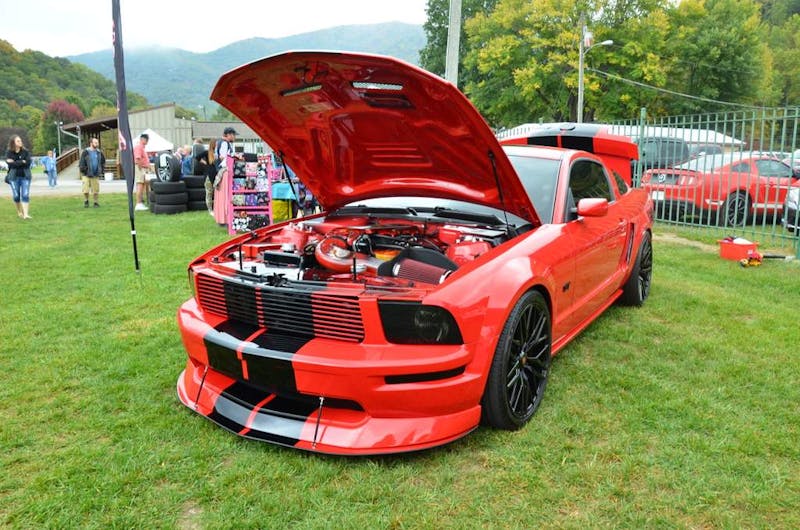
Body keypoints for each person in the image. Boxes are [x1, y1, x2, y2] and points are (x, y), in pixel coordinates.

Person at [213, 127, 241, 225]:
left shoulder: (219, 142)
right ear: (229, 134)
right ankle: (225, 219)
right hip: (225, 171)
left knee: (221, 196)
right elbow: (223, 157)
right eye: (234, 135)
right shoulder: (225, 143)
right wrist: (235, 157)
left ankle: (221, 219)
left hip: (220, 171)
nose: (234, 137)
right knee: (226, 196)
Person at [5, 135, 33, 219]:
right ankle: (19, 211)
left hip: (25, 177)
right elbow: (9, 164)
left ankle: (26, 214)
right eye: (18, 141)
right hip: (13, 177)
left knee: (25, 194)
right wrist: (22, 162)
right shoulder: (9, 152)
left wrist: (16, 162)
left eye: (20, 140)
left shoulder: (25, 152)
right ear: (13, 143)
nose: (20, 142)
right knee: (16, 196)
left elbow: (28, 163)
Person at [78, 137, 105, 208]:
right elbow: (81, 163)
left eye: (97, 142)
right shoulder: (85, 152)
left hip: (95, 174)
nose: (97, 144)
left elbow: (103, 162)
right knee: (86, 190)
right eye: (95, 142)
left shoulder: (99, 152)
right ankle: (86, 201)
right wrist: (85, 170)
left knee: (95, 190)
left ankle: (95, 203)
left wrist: (101, 170)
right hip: (86, 175)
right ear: (91, 143)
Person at [194, 139, 217, 215]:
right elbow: (197, 157)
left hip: (215, 175)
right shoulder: (207, 152)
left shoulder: (216, 153)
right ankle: (210, 210)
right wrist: (204, 163)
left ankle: (214, 209)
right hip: (209, 175)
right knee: (209, 193)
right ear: (214, 145)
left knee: (213, 193)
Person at [133, 134, 150, 211]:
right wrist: (140, 168)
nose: (147, 141)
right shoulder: (138, 147)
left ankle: (140, 202)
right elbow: (137, 158)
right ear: (143, 139)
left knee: (142, 185)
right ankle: (138, 203)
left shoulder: (142, 148)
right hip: (140, 168)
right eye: (146, 140)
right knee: (140, 184)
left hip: (143, 168)